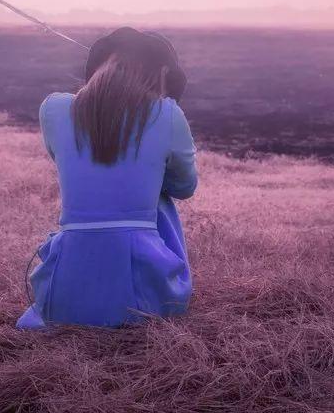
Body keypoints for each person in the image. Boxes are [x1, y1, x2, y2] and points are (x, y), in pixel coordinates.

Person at [16, 27, 198, 329]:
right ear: (161, 75)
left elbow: (70, 164)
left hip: (65, 294)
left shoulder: (54, 109)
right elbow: (184, 187)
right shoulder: (167, 114)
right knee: (159, 197)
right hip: (143, 298)